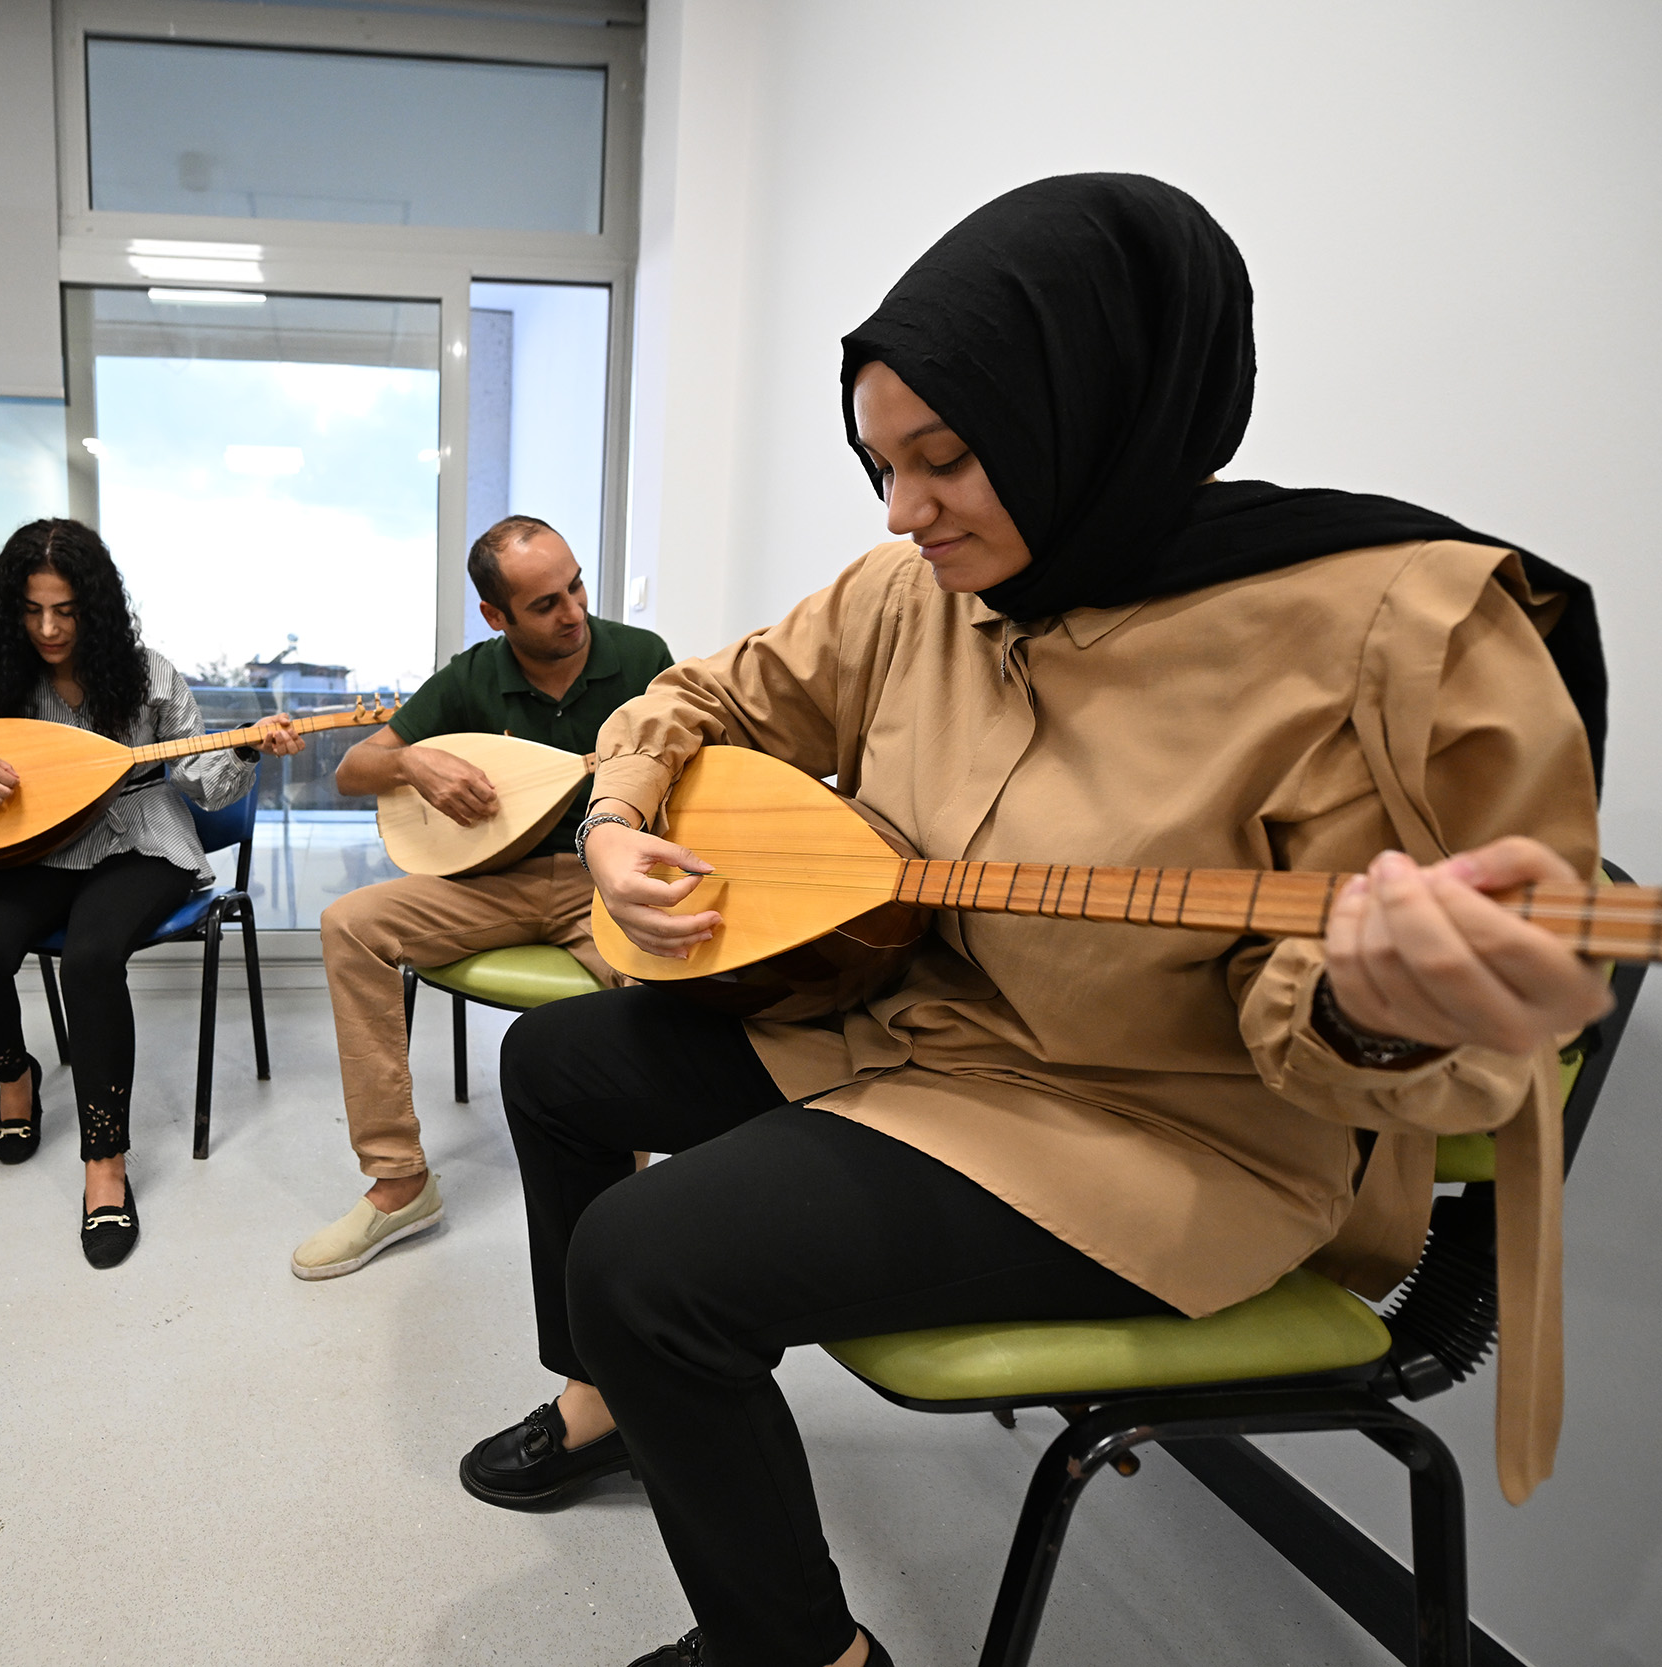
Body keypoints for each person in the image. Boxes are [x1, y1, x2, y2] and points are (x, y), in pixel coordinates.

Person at [457, 175, 1612, 1667]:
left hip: (1151, 1132)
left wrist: (1371, 1002)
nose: (902, 508)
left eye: (943, 459)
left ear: (1098, 409)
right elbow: (693, 696)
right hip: (917, 1029)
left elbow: (1381, 1051)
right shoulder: (911, 591)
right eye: (880, 462)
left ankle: (803, 1651)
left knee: (648, 1257)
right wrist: (616, 821)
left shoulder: (1379, 640)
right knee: (559, 1067)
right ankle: (612, 1397)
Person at [0, 518, 302, 1269]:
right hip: (35, 844)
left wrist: (241, 744)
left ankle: (106, 1162)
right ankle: (16, 1076)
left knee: (93, 957)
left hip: (140, 839)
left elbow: (200, 780)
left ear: (94, 605)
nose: (48, 627)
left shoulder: (150, 673)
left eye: (65, 610)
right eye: (32, 610)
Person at [289, 517, 672, 1279]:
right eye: (544, 604)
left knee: (658, 976)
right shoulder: (472, 676)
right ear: (497, 617)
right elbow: (355, 768)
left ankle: (627, 1195)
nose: (572, 612)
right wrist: (418, 765)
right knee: (349, 923)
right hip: (497, 880)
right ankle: (400, 1181)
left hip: (606, 877)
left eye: (576, 586)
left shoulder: (641, 657)